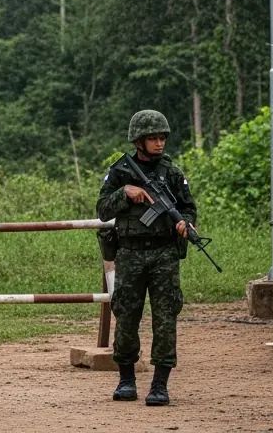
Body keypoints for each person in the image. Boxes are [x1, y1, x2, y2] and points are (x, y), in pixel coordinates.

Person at [97, 109, 195, 406]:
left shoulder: (173, 173)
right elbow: (102, 209)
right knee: (126, 315)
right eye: (153, 138)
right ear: (139, 140)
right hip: (130, 253)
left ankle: (160, 384)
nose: (159, 143)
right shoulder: (120, 172)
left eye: (162, 137)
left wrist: (185, 224)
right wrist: (125, 192)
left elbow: (189, 209)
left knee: (165, 318)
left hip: (164, 253)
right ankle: (126, 379)